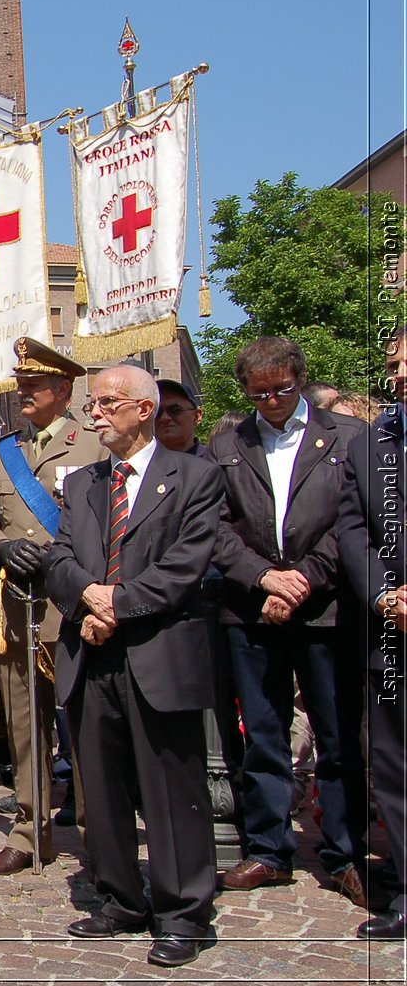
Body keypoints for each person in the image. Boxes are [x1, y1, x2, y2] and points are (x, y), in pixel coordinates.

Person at [43, 364, 223, 967]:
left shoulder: (195, 477)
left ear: (144, 410)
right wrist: (87, 598)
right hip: (90, 653)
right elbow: (60, 557)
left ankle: (182, 912)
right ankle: (121, 896)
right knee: (102, 783)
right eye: (93, 404)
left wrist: (115, 604)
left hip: (159, 651)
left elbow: (184, 565)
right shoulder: (84, 483)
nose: (94, 413)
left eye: (106, 403)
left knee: (171, 788)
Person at [211, 337, 370, 908]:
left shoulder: (348, 437)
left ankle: (346, 852)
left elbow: (353, 521)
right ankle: (270, 849)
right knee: (265, 733)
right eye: (260, 394)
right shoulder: (228, 442)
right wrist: (263, 578)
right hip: (250, 609)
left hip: (326, 608)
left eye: (282, 390)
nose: (273, 401)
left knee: (335, 734)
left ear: (301, 380)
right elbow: (216, 526)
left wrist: (302, 579)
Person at [0, 337, 105, 875]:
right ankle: (30, 831)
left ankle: (99, 832)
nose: (23, 391)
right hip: (16, 609)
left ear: (64, 389)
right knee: (26, 728)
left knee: (87, 727)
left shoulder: (94, 445)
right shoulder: (0, 453)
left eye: (35, 384)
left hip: (72, 609)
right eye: (20, 383)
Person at [337, 324, 407, 939]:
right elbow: (353, 527)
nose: (400, 373)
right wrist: (385, 593)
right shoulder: (370, 442)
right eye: (393, 361)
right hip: (391, 627)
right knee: (394, 762)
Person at [154, 379, 207, 457]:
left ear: (196, 416)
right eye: (157, 412)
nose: (164, 418)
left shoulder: (215, 463)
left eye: (175, 410)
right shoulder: (141, 465)